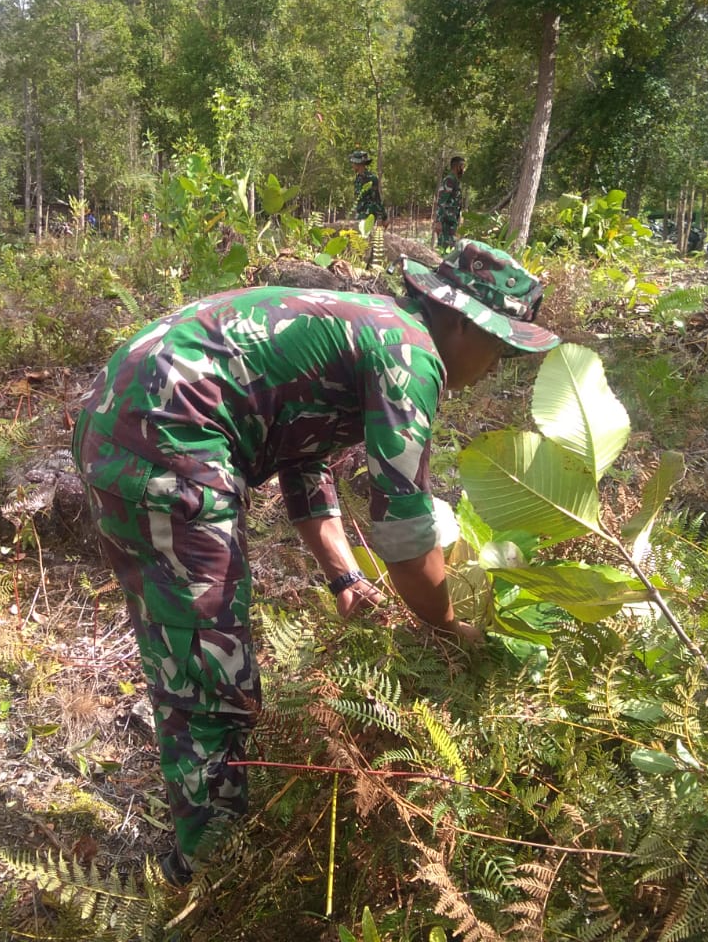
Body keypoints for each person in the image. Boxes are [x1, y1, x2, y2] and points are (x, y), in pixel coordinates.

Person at [71, 238, 560, 888]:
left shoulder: (368, 326)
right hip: (166, 432)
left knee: (185, 644)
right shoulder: (411, 353)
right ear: (466, 322)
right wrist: (446, 628)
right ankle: (211, 873)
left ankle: (208, 835)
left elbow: (304, 457)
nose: (497, 368)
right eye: (500, 349)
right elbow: (405, 526)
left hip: (134, 418)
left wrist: (345, 577)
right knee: (208, 665)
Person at [433, 156, 465, 250]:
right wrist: (438, 221)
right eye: (462, 166)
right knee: (445, 248)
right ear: (457, 166)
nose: (464, 170)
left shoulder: (455, 180)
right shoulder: (450, 180)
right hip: (445, 221)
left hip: (451, 221)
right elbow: (441, 201)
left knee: (450, 248)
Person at [349, 150, 387, 224]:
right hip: (359, 215)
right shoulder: (358, 179)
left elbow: (376, 199)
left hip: (368, 216)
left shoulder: (371, 178)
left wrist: (384, 217)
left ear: (359, 164)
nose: (352, 165)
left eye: (353, 163)